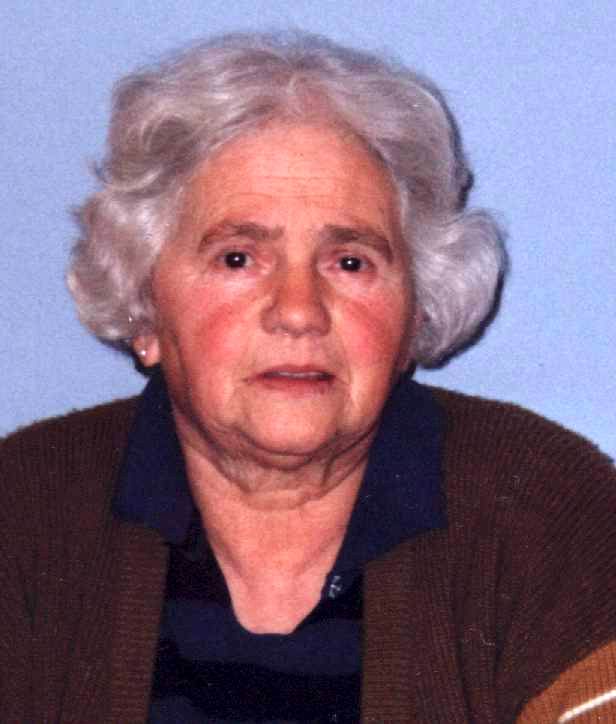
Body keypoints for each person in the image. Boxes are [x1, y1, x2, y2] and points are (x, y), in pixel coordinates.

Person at [1, 31, 615, 724]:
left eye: (350, 262)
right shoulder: (21, 511)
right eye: (237, 258)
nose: (299, 311)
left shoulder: (549, 512)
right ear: (145, 309)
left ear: (414, 313)